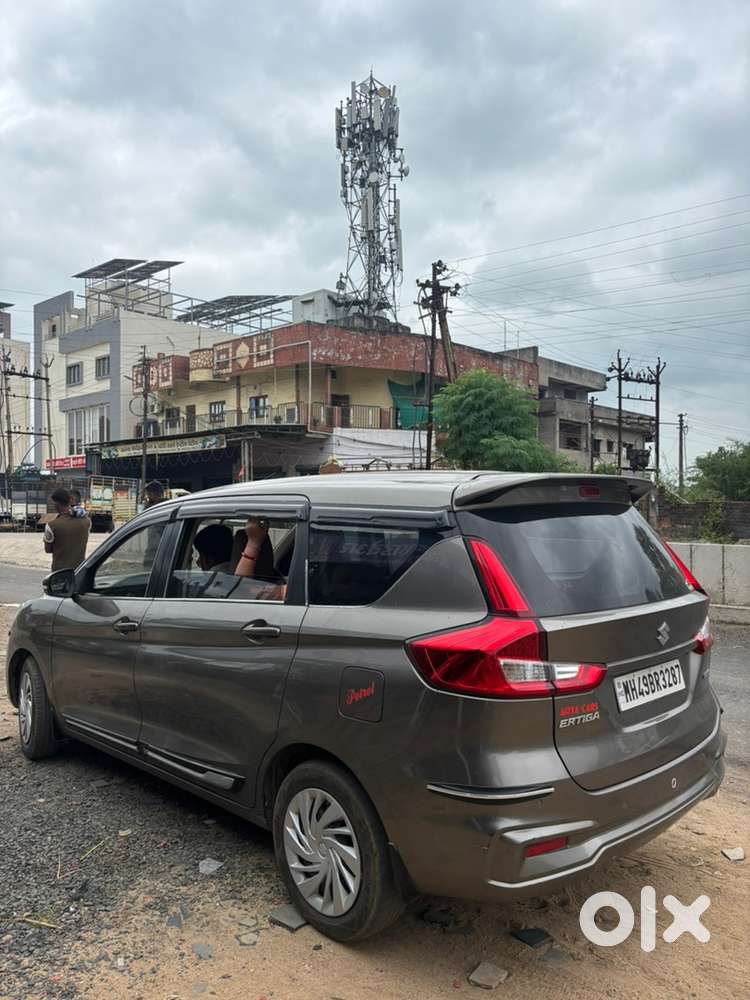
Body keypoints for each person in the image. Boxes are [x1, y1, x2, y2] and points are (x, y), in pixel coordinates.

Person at [43, 488, 91, 572]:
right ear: (70, 501)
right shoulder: (87, 522)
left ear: (56, 504)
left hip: (59, 573)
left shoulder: (52, 525)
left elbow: (48, 549)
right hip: (79, 571)